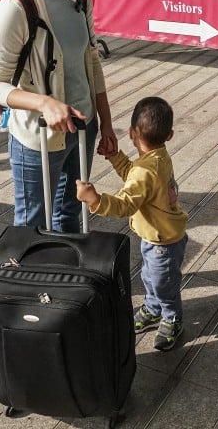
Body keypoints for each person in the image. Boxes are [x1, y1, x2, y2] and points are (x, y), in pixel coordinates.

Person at [0, 0, 117, 232]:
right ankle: (31, 278)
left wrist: (106, 122)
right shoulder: (16, 7)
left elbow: (90, 59)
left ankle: (66, 276)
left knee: (70, 214)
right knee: (33, 224)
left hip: (83, 124)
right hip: (38, 134)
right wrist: (44, 103)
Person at [76, 96, 187, 351]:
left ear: (131, 133)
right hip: (158, 236)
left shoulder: (145, 170)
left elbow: (126, 203)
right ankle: (152, 308)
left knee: (163, 282)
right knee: (150, 276)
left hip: (164, 242)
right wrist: (115, 157)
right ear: (169, 135)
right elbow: (136, 178)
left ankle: (172, 317)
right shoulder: (158, 157)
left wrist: (95, 200)